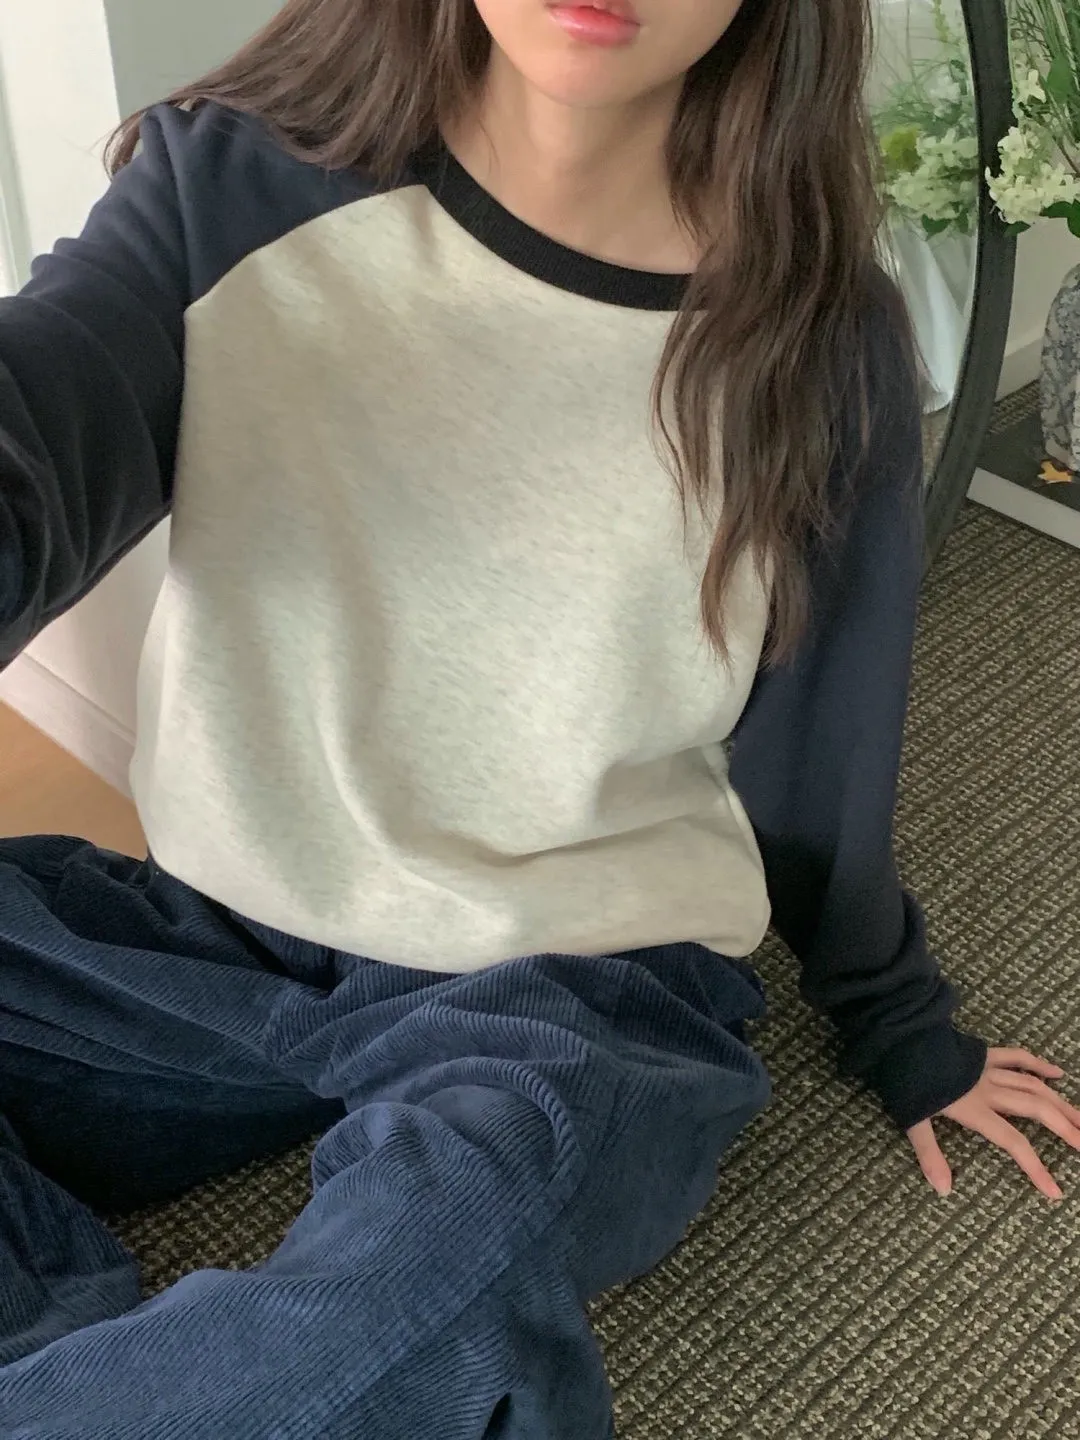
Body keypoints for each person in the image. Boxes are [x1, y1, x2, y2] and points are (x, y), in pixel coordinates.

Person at [0, 1, 1077, 1434]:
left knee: (452, 1254)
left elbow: (822, 758)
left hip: (580, 984)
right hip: (222, 934)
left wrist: (902, 1026)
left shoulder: (823, 344)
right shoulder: (229, 187)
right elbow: (38, 428)